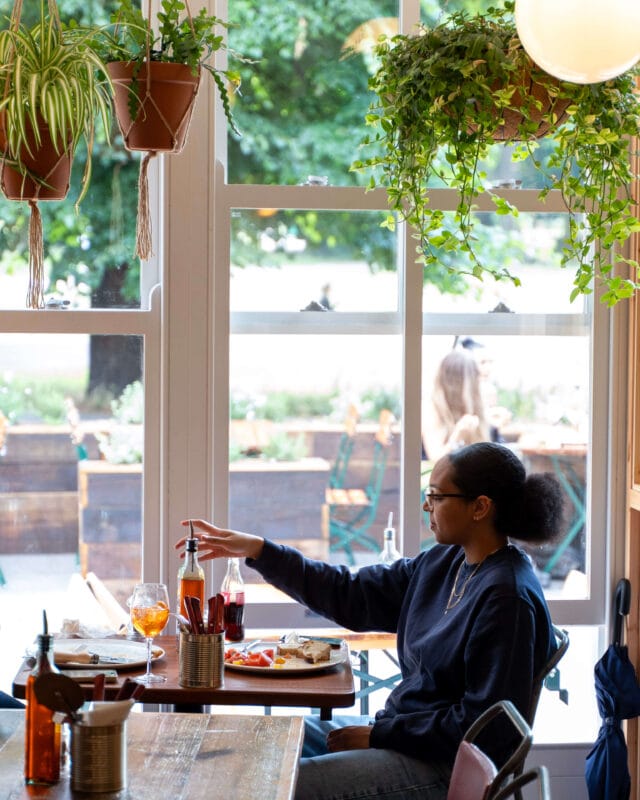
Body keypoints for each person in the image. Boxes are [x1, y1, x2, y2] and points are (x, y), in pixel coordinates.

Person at [176, 442, 564, 800]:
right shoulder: (445, 562)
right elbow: (352, 593)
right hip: (404, 736)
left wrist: (380, 735)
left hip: (445, 768)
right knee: (262, 744)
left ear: (480, 507)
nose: (427, 507)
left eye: (437, 496)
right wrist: (260, 551)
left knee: (273, 781)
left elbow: (486, 729)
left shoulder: (508, 598)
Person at [423, 348, 491, 461]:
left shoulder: (473, 408)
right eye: (474, 377)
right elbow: (436, 461)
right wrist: (458, 437)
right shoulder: (432, 409)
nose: (477, 381)